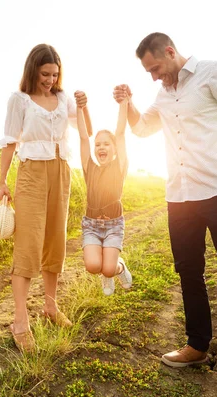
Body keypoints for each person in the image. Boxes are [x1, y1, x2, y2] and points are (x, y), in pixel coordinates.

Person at [113, 32, 217, 385]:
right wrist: (127, 103)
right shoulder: (162, 93)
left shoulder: (215, 73)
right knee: (189, 273)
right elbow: (142, 129)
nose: (154, 76)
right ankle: (197, 345)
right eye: (148, 72)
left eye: (155, 67)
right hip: (180, 197)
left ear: (170, 52)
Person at [0, 43, 91, 353]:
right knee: (28, 242)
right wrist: (2, 181)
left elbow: (85, 131)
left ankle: (51, 307)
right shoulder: (20, 100)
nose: (50, 79)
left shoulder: (64, 99)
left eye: (55, 74)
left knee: (54, 240)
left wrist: (85, 105)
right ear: (33, 71)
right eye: (45, 74)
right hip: (32, 174)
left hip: (61, 171)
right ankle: (20, 321)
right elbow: (10, 142)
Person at [75, 94, 133, 296]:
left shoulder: (119, 167)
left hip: (113, 226)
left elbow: (121, 133)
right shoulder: (89, 167)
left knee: (108, 268)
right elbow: (83, 137)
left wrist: (123, 104)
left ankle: (119, 268)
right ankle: (106, 268)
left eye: (106, 144)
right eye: (98, 144)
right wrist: (80, 108)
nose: (101, 147)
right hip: (91, 225)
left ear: (115, 149)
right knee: (93, 266)